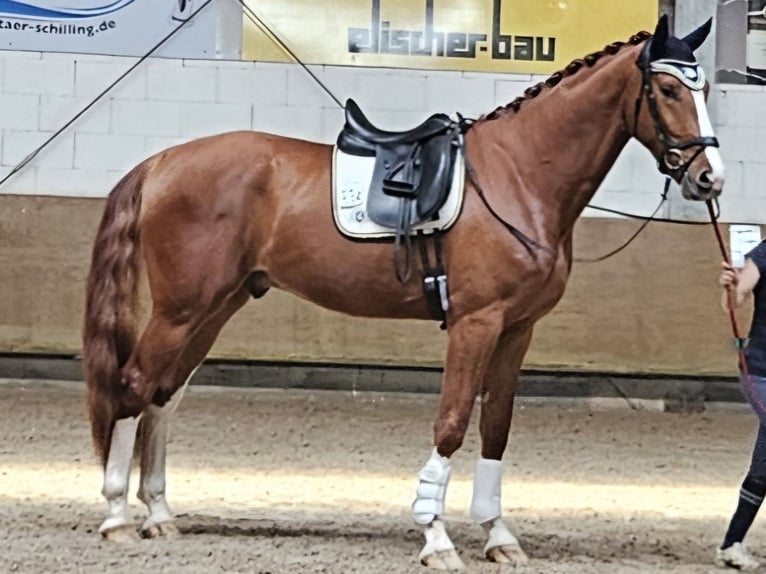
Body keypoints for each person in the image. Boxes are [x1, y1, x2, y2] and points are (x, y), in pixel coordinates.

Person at [716, 241, 766, 570]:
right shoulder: (765, 253)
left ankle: (731, 544)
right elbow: (737, 295)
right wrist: (729, 285)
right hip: (762, 373)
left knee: (763, 465)